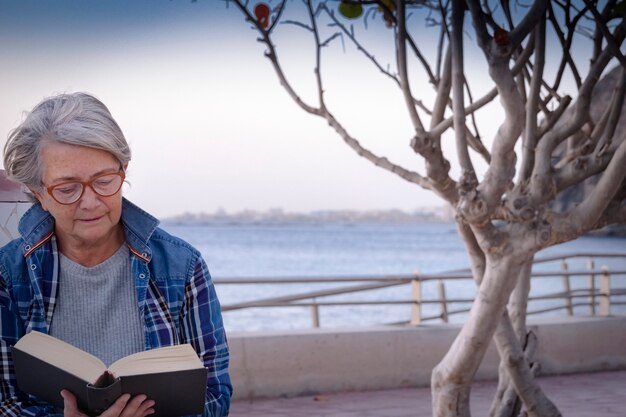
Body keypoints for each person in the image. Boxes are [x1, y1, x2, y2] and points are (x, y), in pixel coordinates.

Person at [0, 93, 232, 416]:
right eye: (68, 189)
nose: (91, 202)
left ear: (123, 171)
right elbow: (6, 403)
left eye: (105, 181)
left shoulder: (183, 267)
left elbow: (216, 397)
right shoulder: (8, 276)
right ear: (39, 193)